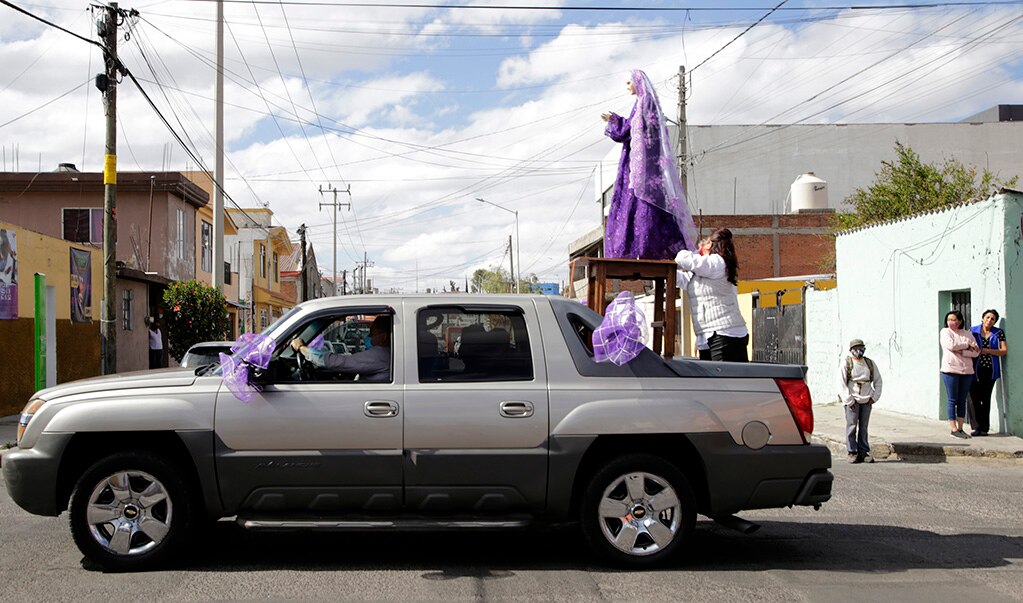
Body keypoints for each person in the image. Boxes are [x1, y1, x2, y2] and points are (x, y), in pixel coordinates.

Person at [600, 69, 697, 260]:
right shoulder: (641, 104)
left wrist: (615, 121)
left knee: (645, 206)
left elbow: (632, 130)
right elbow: (630, 129)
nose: (627, 87)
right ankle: (637, 249)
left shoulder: (646, 104)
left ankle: (644, 249)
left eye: (629, 83)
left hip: (644, 168)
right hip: (639, 166)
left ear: (638, 83)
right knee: (635, 206)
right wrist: (617, 121)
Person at [675, 228, 749, 362]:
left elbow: (688, 260)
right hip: (710, 334)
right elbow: (682, 280)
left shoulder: (717, 262)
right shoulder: (703, 271)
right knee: (714, 381)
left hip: (725, 333)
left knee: (723, 381)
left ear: (709, 245)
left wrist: (684, 249)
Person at [291, 315, 391, 382]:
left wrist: (302, 348)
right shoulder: (387, 354)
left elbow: (339, 362)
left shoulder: (381, 354)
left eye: (372, 333)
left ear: (383, 337)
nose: (368, 337)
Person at [837, 339, 883, 463]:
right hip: (852, 400)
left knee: (864, 427)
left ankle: (863, 452)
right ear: (850, 350)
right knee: (852, 426)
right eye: (856, 348)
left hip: (866, 400)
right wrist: (848, 399)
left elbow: (878, 381)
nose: (858, 351)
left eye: (861, 348)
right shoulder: (847, 363)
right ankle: (852, 452)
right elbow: (841, 383)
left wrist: (874, 397)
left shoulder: (869, 363)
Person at [940, 310, 979, 438]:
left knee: (962, 399)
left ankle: (961, 427)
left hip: (967, 370)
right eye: (949, 320)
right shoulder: (945, 332)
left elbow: (976, 351)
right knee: (952, 399)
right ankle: (953, 428)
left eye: (955, 320)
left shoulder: (967, 334)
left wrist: (964, 352)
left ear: (960, 321)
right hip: (951, 369)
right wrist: (967, 345)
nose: (952, 322)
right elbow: (951, 345)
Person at [970, 309, 1008, 436]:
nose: (989, 320)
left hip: (990, 369)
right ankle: (976, 426)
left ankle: (984, 428)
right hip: (974, 368)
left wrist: (988, 351)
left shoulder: (998, 333)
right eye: (987, 317)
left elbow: (1003, 351)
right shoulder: (973, 330)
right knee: (974, 397)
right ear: (982, 318)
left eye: (992, 319)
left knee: (985, 398)